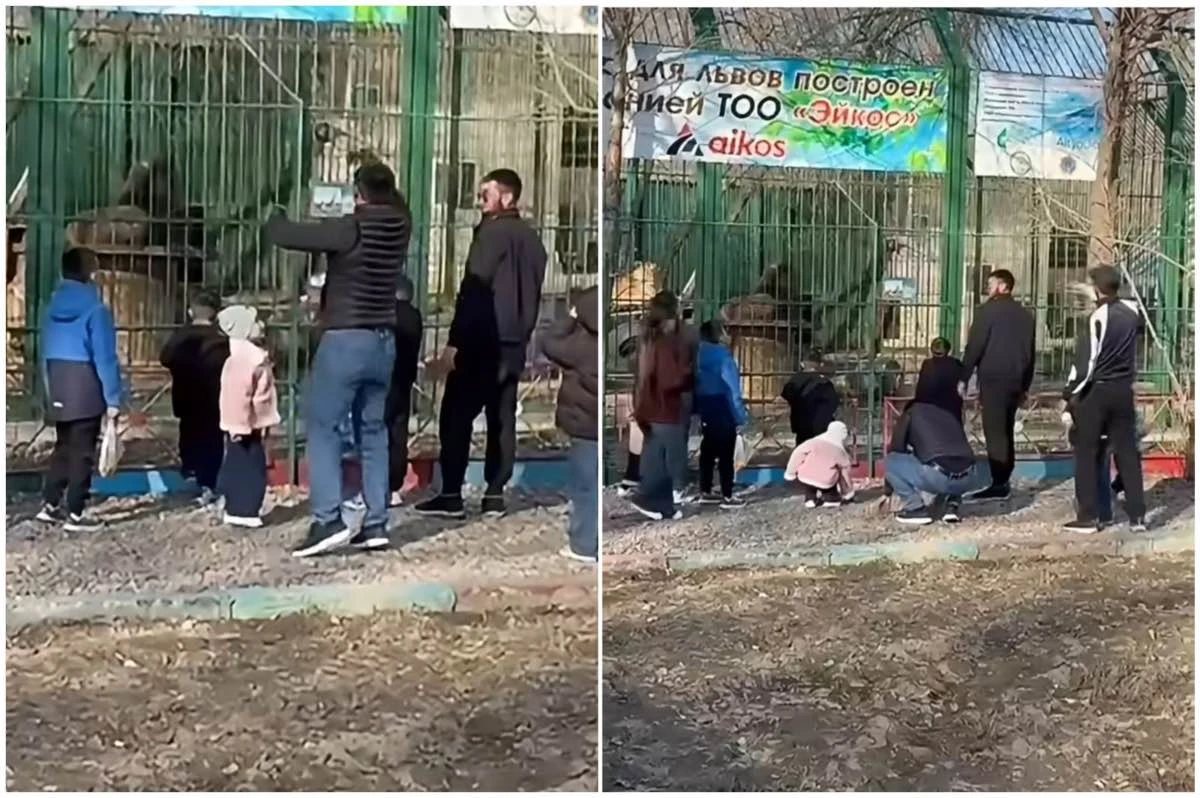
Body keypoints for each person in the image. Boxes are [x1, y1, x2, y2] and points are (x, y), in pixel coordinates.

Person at [266, 161, 411, 557]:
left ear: (358, 193)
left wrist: (275, 212)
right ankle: (376, 522)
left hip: (346, 338)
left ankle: (328, 518)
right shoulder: (402, 225)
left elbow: (286, 235)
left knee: (323, 425)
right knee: (373, 431)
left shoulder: (351, 228)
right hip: (383, 341)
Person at [416, 168, 547, 521]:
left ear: (507, 196)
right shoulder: (533, 241)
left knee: (456, 415)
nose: (479, 201)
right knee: (502, 417)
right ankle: (494, 494)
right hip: (514, 342)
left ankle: (451, 493)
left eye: (484, 194)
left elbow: (474, 290)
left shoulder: (490, 234)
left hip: (482, 341)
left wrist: (455, 342)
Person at [36, 247, 123, 531]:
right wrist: (113, 398)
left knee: (63, 446)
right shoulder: (96, 310)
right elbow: (105, 358)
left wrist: (48, 389)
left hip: (58, 377)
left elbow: (45, 350)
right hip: (86, 381)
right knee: (83, 450)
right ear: (90, 273)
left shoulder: (51, 307)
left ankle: (50, 504)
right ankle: (76, 512)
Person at [1062, 265, 1146, 532]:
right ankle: (1137, 516)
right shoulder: (1132, 311)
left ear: (1097, 289)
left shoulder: (1097, 317)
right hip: (1124, 389)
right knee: (1127, 451)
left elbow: (1088, 362)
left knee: (1087, 452)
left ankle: (1088, 516)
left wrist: (1070, 394)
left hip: (1097, 391)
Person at [958, 268, 1036, 500]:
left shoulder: (987, 312)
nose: (988, 288)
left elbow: (975, 346)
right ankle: (1004, 478)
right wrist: (1025, 385)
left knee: (995, 432)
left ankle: (999, 482)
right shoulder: (1025, 315)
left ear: (1003, 286)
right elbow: (1030, 353)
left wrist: (963, 376)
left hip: (994, 379)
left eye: (991, 283)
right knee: (1006, 429)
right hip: (1016, 380)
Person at [540, 285, 599, 563]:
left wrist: (571, 316)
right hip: (597, 421)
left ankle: (585, 544)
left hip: (584, 425)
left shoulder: (579, 345)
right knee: (595, 484)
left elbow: (548, 342)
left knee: (585, 487)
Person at [159, 287, 230, 504]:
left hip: (186, 396)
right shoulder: (221, 339)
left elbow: (165, 358)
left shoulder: (180, 336)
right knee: (213, 439)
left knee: (189, 434)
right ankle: (208, 480)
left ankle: (190, 471)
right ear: (217, 313)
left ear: (191, 311)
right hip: (214, 398)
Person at [629, 293, 693, 521]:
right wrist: (686, 372)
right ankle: (647, 497)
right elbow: (670, 380)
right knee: (666, 458)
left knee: (657, 454)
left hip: (649, 405)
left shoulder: (648, 339)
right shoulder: (665, 344)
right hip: (664, 406)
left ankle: (662, 505)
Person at [215, 305, 280, 529]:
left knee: (250, 464)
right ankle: (241, 508)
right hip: (243, 426)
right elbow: (236, 397)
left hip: (252, 423)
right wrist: (238, 426)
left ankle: (244, 507)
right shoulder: (243, 360)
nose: (261, 325)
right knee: (245, 466)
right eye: (254, 322)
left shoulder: (251, 357)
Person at [883, 400, 991, 525]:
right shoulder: (948, 412)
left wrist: (889, 489)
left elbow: (897, 450)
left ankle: (915, 508)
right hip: (969, 478)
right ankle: (951, 505)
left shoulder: (911, 413)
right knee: (953, 462)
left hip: (938, 477)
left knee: (891, 461)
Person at [694, 319, 748, 508]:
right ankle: (728, 495)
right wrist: (740, 417)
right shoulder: (723, 356)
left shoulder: (697, 355)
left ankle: (705, 490)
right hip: (723, 404)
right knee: (726, 453)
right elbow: (733, 390)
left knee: (708, 449)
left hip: (705, 403)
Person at [385, 273, 424, 509]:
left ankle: (378, 485)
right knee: (399, 432)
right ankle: (394, 486)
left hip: (384, 380)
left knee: (378, 431)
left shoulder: (388, 316)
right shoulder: (415, 316)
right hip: (405, 380)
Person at [784, 420, 856, 508]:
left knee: (810, 485)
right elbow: (845, 473)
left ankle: (810, 499)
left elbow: (797, 453)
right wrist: (848, 491)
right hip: (826, 480)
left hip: (806, 476)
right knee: (835, 473)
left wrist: (790, 472)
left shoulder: (813, 442)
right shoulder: (840, 451)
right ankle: (831, 499)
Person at [780, 351, 840, 447]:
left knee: (803, 450)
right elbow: (834, 402)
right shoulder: (824, 382)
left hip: (801, 426)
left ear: (802, 364)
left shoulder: (794, 380)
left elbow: (785, 398)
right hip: (822, 429)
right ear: (820, 364)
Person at [913, 336, 963, 420]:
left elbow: (920, 392)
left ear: (932, 350)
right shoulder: (955, 364)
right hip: (951, 412)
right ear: (948, 351)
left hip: (928, 411)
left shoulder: (927, 365)